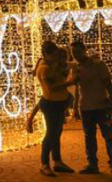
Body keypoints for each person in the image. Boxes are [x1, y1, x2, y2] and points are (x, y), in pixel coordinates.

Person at [70, 41, 112, 180]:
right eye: (73, 53)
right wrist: (75, 107)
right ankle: (92, 164)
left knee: (109, 136)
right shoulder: (76, 68)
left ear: (84, 50)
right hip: (86, 107)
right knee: (89, 137)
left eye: (77, 51)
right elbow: (76, 88)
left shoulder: (98, 65)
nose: (75, 55)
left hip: (101, 106)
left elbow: (108, 84)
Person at [34, 41, 76, 176]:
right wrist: (69, 83)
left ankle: (57, 161)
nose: (57, 57)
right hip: (51, 104)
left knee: (57, 133)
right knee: (51, 133)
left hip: (58, 103)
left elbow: (67, 67)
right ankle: (44, 164)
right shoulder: (45, 69)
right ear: (47, 54)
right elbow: (50, 88)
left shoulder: (53, 65)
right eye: (54, 55)